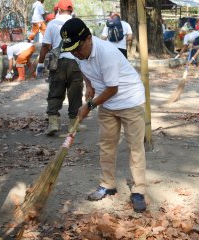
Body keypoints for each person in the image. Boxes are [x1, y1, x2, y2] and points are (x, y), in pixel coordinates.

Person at [60, 18, 147, 213]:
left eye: (77, 48)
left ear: (89, 38)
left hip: (129, 100)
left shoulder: (106, 53)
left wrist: (88, 106)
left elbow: (113, 89)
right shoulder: (77, 52)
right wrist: (89, 85)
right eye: (71, 50)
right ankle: (108, 184)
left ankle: (139, 190)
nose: (75, 53)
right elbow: (84, 68)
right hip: (106, 103)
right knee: (107, 144)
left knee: (135, 146)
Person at [36, 0, 85, 136]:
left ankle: (53, 123)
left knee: (55, 91)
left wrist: (40, 64)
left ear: (58, 10)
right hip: (76, 61)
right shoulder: (78, 24)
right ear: (71, 10)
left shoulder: (52, 24)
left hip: (58, 61)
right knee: (75, 93)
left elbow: (46, 46)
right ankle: (73, 125)